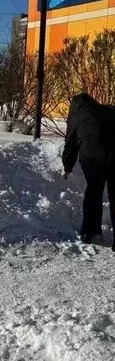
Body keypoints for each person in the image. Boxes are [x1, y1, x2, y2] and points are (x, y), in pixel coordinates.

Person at [62, 93, 115, 247]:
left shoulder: (77, 117)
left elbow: (70, 144)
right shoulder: (104, 110)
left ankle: (90, 232)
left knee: (94, 190)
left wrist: (67, 166)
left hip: (91, 157)